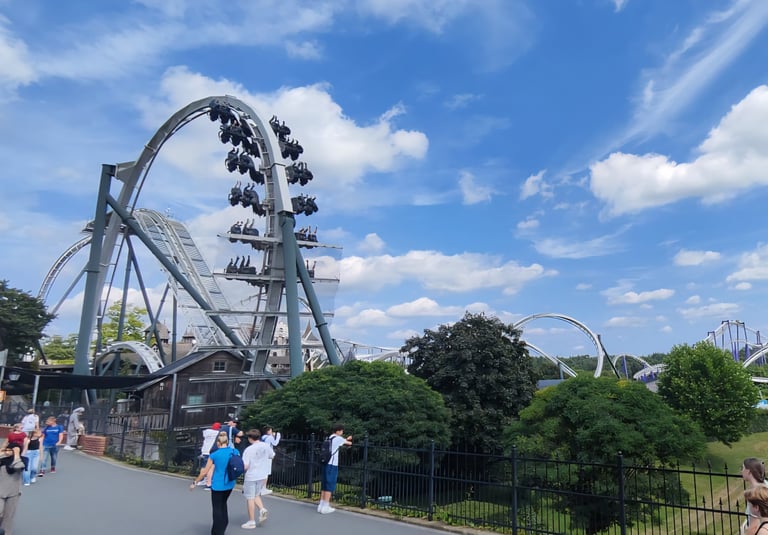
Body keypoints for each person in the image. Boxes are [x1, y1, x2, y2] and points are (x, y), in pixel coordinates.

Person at [190, 431, 238, 535]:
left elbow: (204, 472)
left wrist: (195, 482)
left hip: (218, 484)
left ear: (218, 443)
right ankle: (224, 524)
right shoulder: (235, 451)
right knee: (223, 504)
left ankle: (217, 531)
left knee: (216, 508)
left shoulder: (214, 455)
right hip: (229, 483)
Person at [241, 429, 274, 528]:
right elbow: (272, 456)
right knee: (256, 494)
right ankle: (262, 509)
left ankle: (251, 521)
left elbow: (245, 466)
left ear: (250, 438)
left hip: (251, 475)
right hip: (262, 474)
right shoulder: (266, 446)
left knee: (250, 497)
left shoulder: (248, 450)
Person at [317, 423, 352, 514]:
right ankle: (326, 506)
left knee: (324, 483)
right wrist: (348, 440)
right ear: (338, 431)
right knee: (330, 484)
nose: (342, 432)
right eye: (341, 431)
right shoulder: (338, 439)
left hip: (325, 463)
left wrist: (345, 439)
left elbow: (342, 441)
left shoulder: (329, 438)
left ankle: (321, 504)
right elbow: (348, 443)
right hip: (332, 464)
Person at [0, 444, 25, 534]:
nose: (7, 452)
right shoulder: (2, 460)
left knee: (8, 516)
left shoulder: (23, 460)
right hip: (0, 491)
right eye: (6, 450)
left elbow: (18, 467)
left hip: (13, 493)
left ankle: (6, 533)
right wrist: (2, 452)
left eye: (10, 450)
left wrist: (17, 454)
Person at [742, 458, 768, 534]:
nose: (741, 471)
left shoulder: (755, 494)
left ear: (749, 471)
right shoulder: (764, 487)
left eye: (743, 468)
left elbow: (754, 526)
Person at [197, 422, 221, 490]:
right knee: (210, 468)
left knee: (204, 466)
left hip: (204, 451)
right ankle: (208, 483)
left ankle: (201, 480)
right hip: (212, 452)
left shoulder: (206, 432)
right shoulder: (217, 433)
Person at [260, 425, 281, 495]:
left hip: (262, 455)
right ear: (268, 431)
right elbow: (275, 443)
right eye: (271, 430)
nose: (272, 432)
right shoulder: (269, 437)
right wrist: (278, 436)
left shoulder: (263, 437)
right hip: (268, 456)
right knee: (266, 472)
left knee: (262, 471)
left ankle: (260, 487)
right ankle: (263, 488)